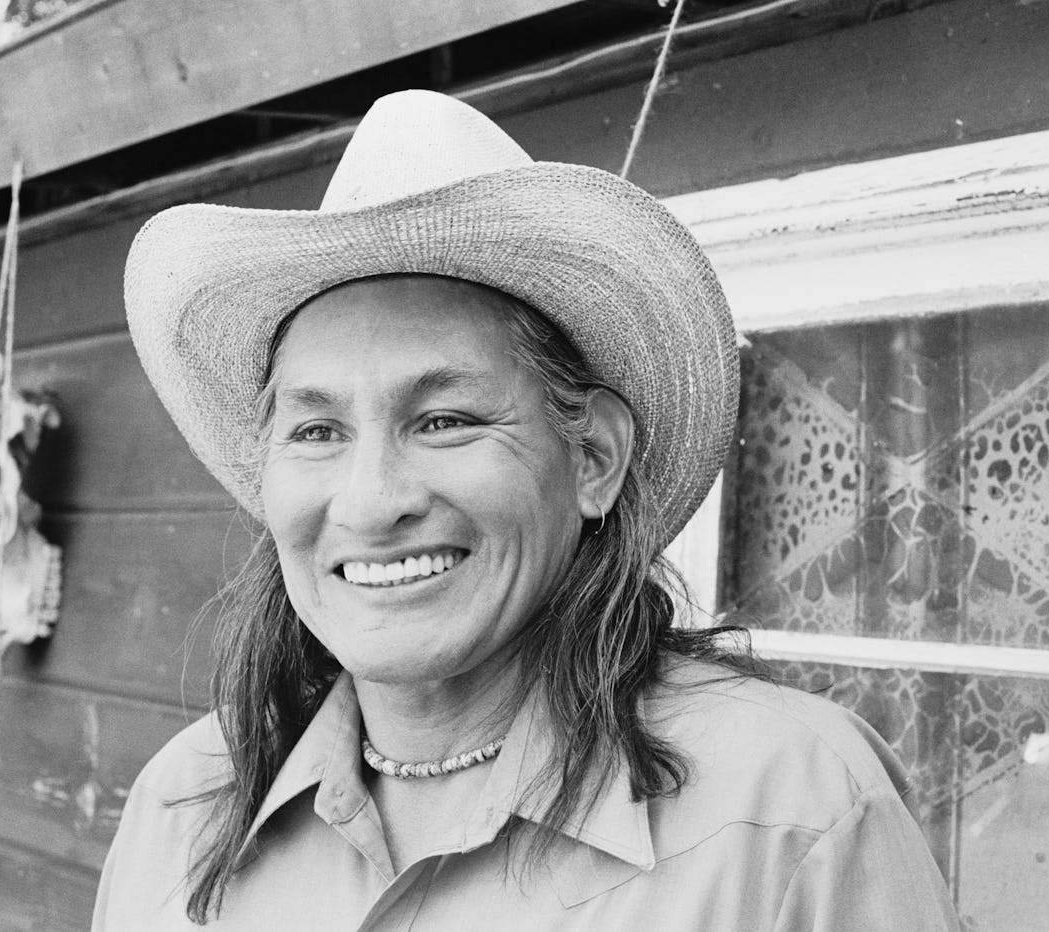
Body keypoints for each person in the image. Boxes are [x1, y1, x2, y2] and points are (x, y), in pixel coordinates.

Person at [94, 90, 958, 930]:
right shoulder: (182, 806)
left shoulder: (794, 810)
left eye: (444, 421)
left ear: (593, 458)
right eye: (316, 430)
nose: (370, 501)